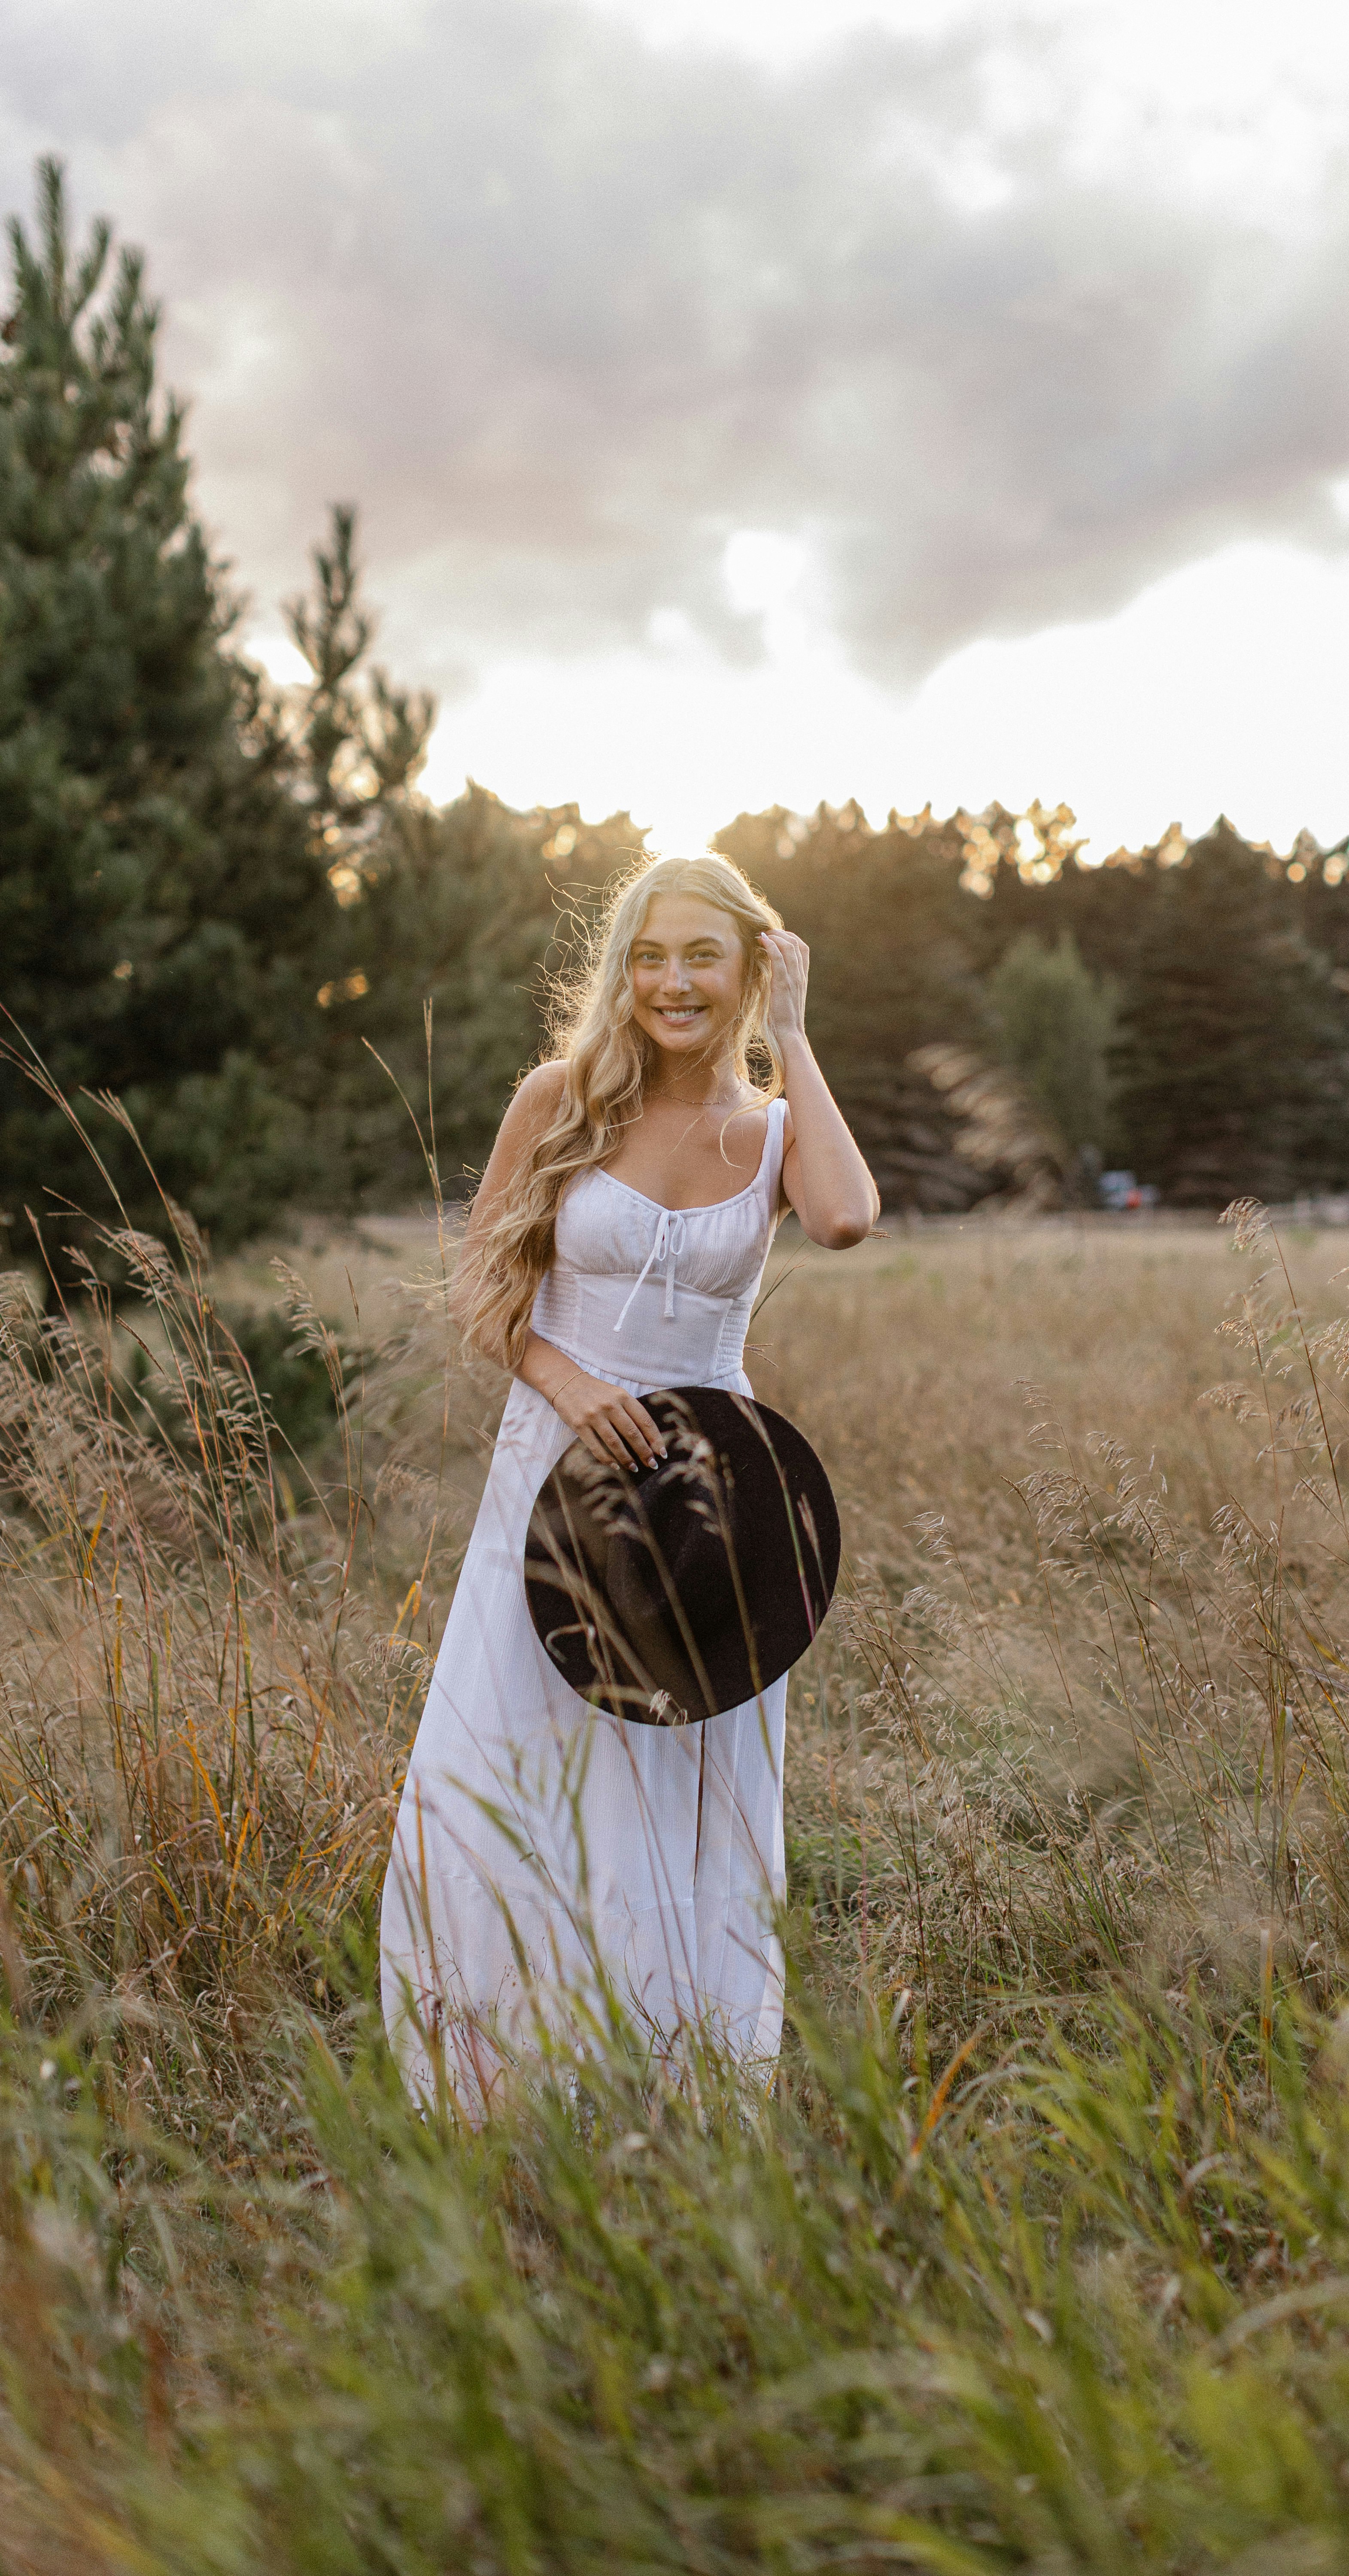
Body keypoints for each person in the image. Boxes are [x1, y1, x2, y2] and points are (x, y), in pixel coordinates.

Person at [379, 851, 878, 2108]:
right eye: (650, 956)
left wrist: (798, 1036)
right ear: (623, 969)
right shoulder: (560, 1099)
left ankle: (670, 2074)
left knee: (677, 1767)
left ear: (751, 968)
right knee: (513, 1759)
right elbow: (480, 1293)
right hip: (554, 1473)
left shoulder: (770, 1135)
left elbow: (847, 1218)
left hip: (709, 1498)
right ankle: (499, 2079)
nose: (672, 982)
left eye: (703, 956)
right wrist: (568, 1382)